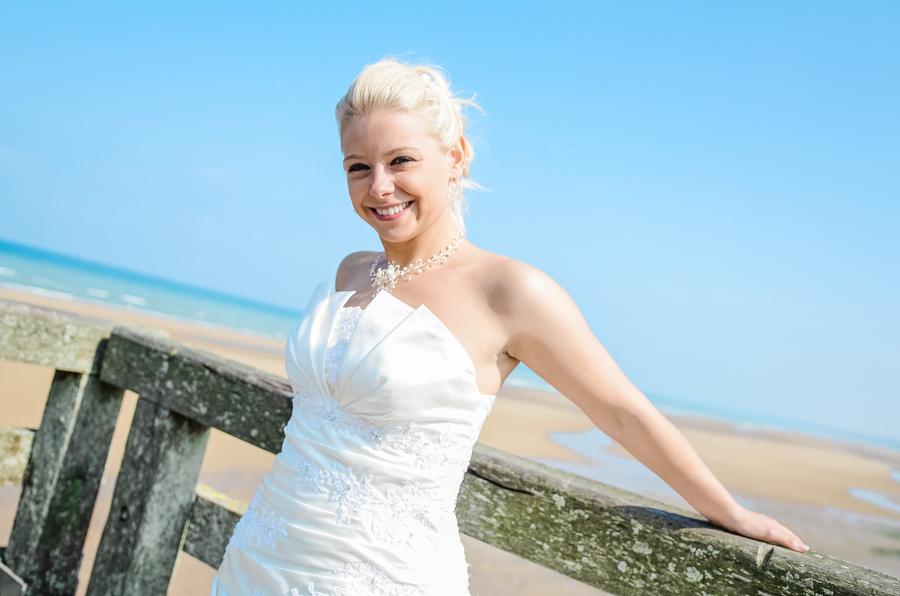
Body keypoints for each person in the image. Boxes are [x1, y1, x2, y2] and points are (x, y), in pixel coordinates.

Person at [211, 58, 808, 596]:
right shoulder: (351, 271)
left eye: (401, 161)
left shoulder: (511, 292)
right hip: (262, 557)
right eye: (357, 167)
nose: (379, 187)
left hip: (383, 577)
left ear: (456, 158)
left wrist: (731, 512)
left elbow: (622, 413)